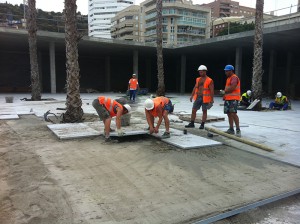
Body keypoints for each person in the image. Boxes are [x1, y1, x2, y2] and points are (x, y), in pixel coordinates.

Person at [185, 65, 214, 129]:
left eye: (201, 72)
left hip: (205, 98)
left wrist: (212, 100)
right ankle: (192, 123)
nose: (200, 73)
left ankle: (202, 124)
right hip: (198, 97)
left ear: (205, 71)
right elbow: (195, 87)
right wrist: (192, 95)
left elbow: (212, 91)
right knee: (193, 110)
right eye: (199, 72)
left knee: (204, 111)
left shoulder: (209, 80)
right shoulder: (198, 79)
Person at [220, 65, 241, 137]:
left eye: (227, 71)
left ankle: (238, 129)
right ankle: (231, 129)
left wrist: (223, 92)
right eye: (225, 71)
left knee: (233, 113)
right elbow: (228, 89)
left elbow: (232, 88)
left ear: (231, 71)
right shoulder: (228, 78)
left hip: (234, 98)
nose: (225, 72)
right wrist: (225, 95)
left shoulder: (234, 78)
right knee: (229, 113)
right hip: (228, 98)